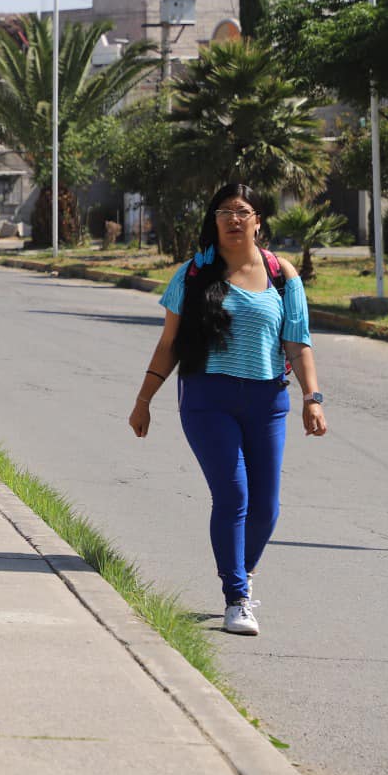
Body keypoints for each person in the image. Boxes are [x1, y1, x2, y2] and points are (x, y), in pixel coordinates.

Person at [129, 183, 327, 636]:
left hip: (267, 400)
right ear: (213, 221)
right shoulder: (195, 273)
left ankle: (242, 571)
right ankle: (237, 597)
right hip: (207, 398)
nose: (234, 220)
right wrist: (144, 401)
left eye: (243, 212)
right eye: (224, 212)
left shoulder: (282, 274)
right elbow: (169, 345)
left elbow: (297, 344)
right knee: (234, 496)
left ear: (258, 220)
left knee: (267, 508)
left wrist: (312, 398)